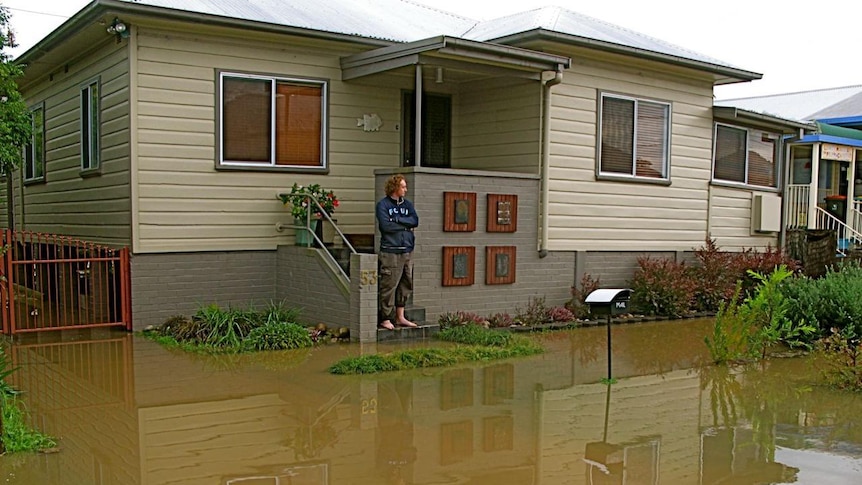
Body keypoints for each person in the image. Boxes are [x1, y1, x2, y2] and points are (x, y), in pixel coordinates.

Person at [376, 174, 419, 330]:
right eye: (403, 186)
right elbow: (386, 227)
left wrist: (397, 220)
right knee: (389, 284)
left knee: (405, 283)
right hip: (391, 251)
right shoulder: (383, 205)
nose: (405, 189)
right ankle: (385, 318)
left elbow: (415, 221)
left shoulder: (407, 204)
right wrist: (405, 225)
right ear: (394, 188)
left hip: (408, 250)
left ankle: (400, 316)